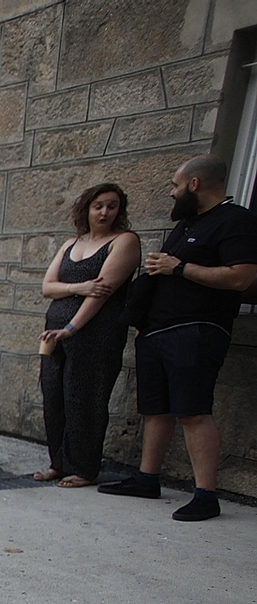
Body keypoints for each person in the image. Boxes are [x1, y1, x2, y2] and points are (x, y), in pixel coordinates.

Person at [99, 155, 257, 520]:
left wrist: (180, 267)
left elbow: (241, 278)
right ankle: (147, 478)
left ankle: (206, 494)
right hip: (157, 330)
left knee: (193, 410)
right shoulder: (187, 223)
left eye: (175, 185)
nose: (172, 192)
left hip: (197, 330)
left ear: (195, 184)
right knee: (155, 408)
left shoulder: (236, 221)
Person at [31, 184, 140, 488]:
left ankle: (83, 467)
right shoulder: (71, 244)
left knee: (85, 398)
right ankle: (59, 463)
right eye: (98, 206)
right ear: (86, 209)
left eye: (112, 206)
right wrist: (77, 288)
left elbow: (101, 293)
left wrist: (71, 328)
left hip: (95, 334)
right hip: (55, 334)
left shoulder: (124, 242)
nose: (105, 212)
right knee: (54, 397)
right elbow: (47, 287)